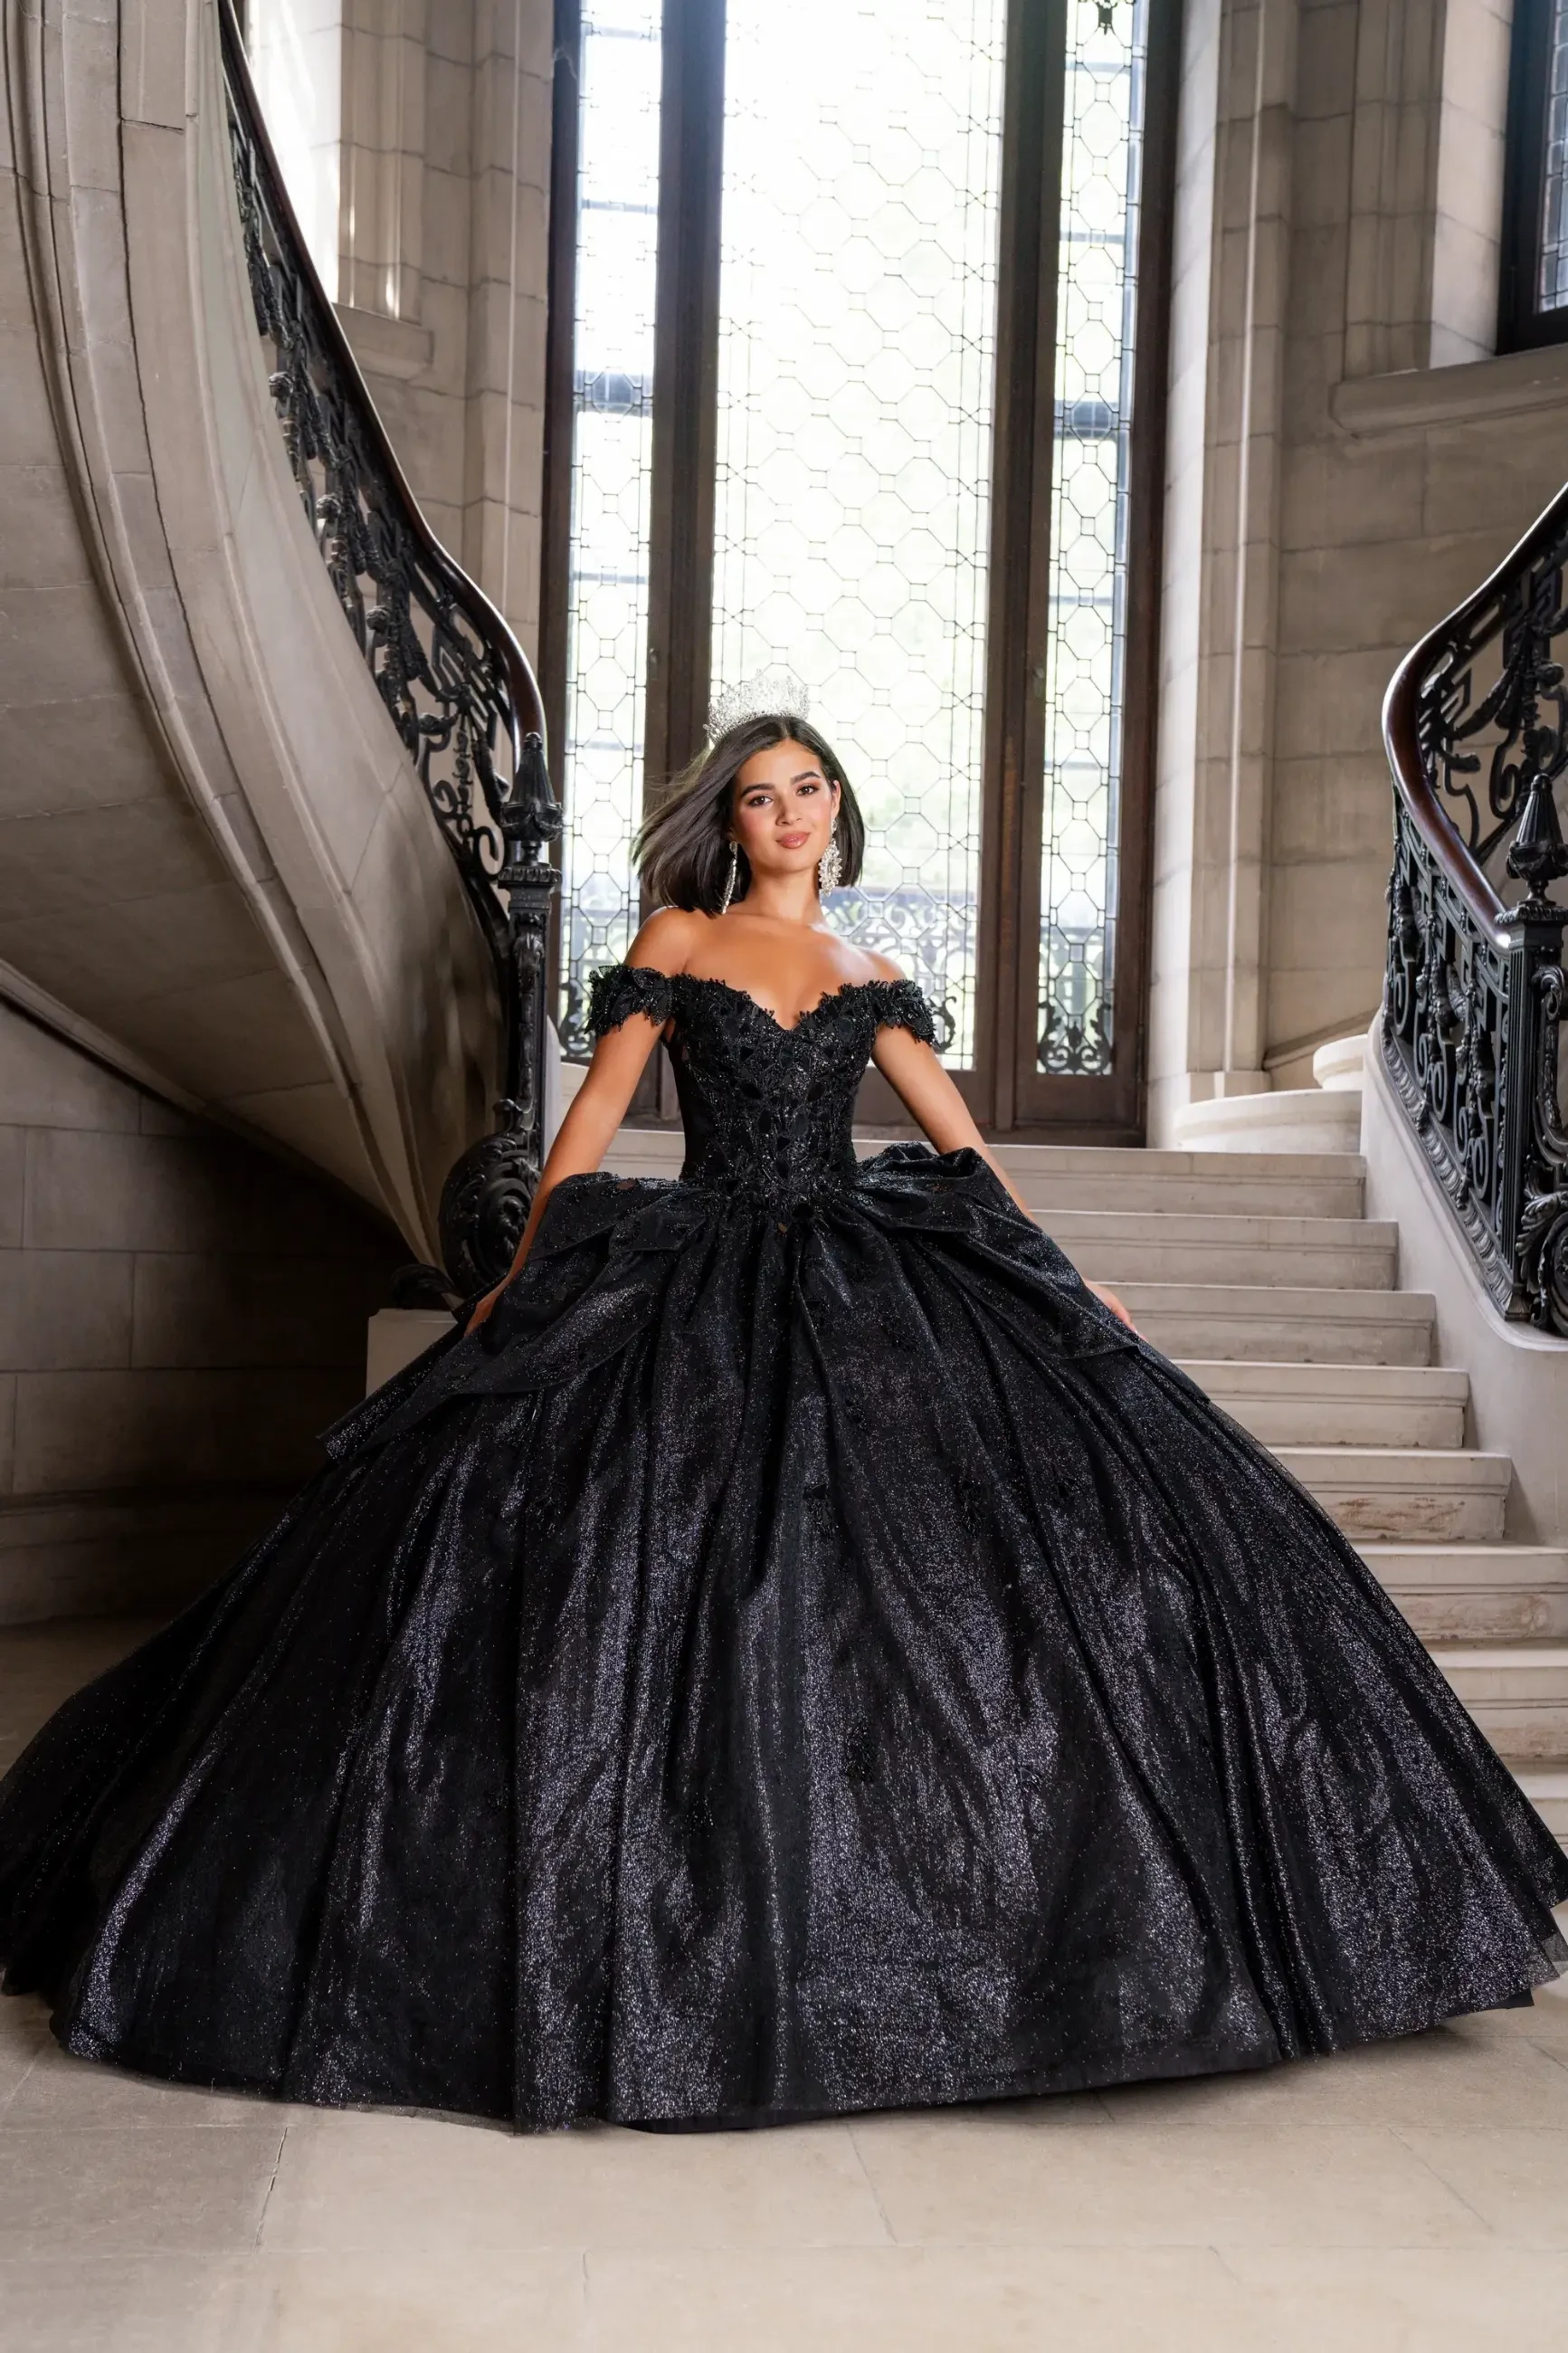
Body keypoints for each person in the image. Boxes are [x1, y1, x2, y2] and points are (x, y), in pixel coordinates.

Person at [0, 703, 1563, 2133]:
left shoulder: (874, 978)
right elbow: (598, 1115)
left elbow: (962, 1150)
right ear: (728, 823)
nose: (791, 814)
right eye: (762, 796)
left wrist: (1083, 1286)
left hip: (857, 1261)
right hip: (694, 1259)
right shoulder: (679, 941)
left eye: (810, 789)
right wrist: (531, 1271)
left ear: (839, 809)